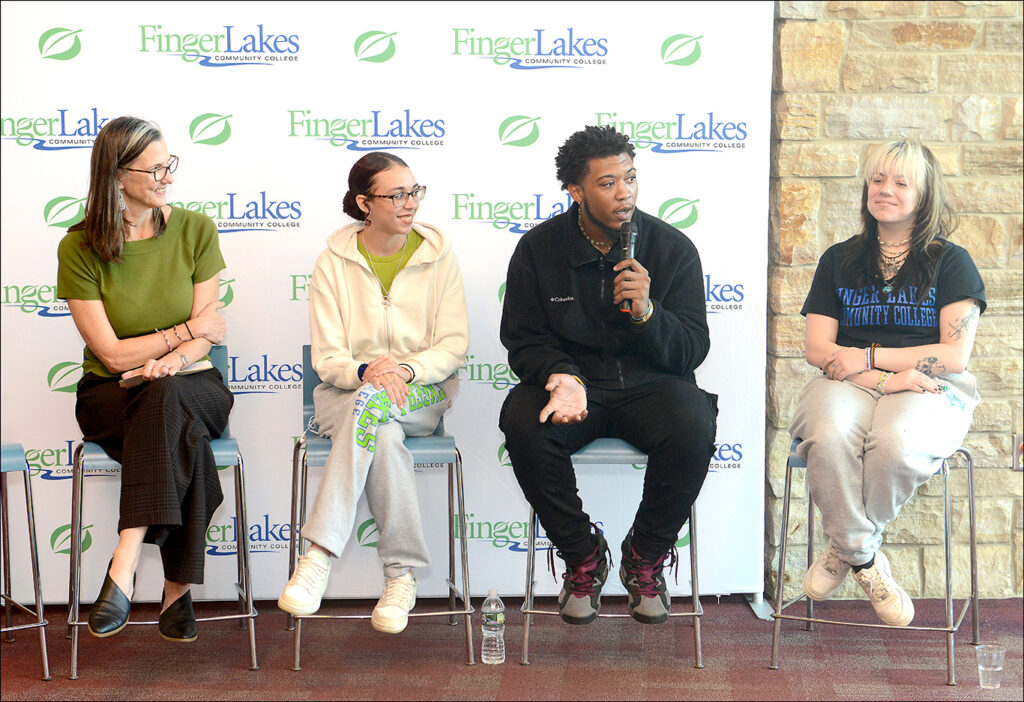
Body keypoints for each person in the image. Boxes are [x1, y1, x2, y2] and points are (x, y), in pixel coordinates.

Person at [498, 125, 718, 625]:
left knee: (694, 424)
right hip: (576, 386)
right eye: (608, 183)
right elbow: (524, 339)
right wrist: (561, 375)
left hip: (652, 385)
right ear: (575, 191)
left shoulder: (671, 248)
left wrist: (646, 312)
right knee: (523, 425)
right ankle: (583, 555)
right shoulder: (538, 250)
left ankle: (646, 554)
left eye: (631, 178)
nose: (625, 193)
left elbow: (691, 350)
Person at [792, 140, 985, 626]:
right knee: (830, 434)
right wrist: (882, 377)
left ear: (924, 195)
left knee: (896, 443)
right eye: (878, 179)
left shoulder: (951, 261)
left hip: (927, 384)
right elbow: (818, 349)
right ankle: (865, 556)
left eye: (901, 182)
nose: (886, 190)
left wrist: (873, 357)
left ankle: (844, 546)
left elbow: (953, 354)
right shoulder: (839, 258)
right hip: (850, 381)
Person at [277, 152, 469, 634]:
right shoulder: (332, 263)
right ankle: (401, 574)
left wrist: (406, 368)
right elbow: (328, 357)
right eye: (396, 194)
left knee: (377, 408)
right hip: (347, 393)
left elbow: (453, 345)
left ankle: (318, 554)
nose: (409, 204)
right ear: (365, 203)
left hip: (423, 392)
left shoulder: (439, 257)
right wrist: (366, 369)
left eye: (414, 192)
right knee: (378, 430)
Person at [56, 116, 232, 642]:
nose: (168, 178)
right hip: (111, 396)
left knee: (166, 394)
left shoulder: (196, 229)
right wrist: (180, 333)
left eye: (168, 165)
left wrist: (173, 358)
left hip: (195, 380)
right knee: (186, 439)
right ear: (115, 174)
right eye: (155, 169)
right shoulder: (79, 246)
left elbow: (209, 337)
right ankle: (177, 590)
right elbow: (110, 355)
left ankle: (124, 558)